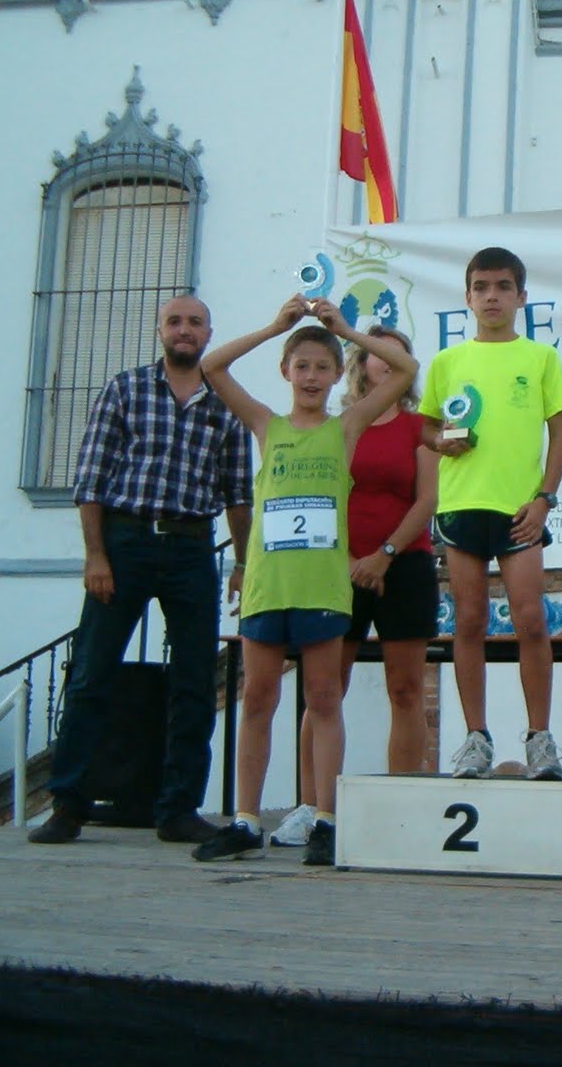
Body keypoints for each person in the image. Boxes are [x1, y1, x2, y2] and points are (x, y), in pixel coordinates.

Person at [191, 297, 418, 867]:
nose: (312, 377)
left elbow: (408, 370)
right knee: (259, 699)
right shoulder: (266, 424)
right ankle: (245, 819)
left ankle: (326, 819)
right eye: (302, 366)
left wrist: (343, 330)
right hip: (270, 586)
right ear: (286, 372)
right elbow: (212, 367)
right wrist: (275, 327)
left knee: (323, 700)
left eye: (323, 367)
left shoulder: (348, 426)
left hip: (322, 588)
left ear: (335, 374)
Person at [31, 295, 252, 847]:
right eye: (175, 321)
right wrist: (95, 554)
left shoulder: (226, 406)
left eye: (195, 322)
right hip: (124, 543)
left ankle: (178, 807)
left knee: (196, 683)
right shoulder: (124, 389)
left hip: (192, 549)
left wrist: (244, 563)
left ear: (209, 333)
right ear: (160, 330)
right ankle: (68, 803)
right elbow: (91, 479)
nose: (185, 330)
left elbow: (239, 496)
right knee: (90, 675)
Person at [270, 326, 438, 849]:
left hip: (403, 565)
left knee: (405, 690)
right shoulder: (339, 425)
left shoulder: (418, 425)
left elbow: (427, 499)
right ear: (362, 363)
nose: (387, 363)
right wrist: (348, 559)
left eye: (398, 355)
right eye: (377, 355)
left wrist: (383, 556)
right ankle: (312, 808)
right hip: (336, 568)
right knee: (323, 692)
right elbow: (321, 496)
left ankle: (400, 804)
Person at [420, 247, 562, 781]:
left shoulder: (540, 358)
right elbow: (425, 428)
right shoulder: (446, 362)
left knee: (531, 620)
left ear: (521, 297)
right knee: (468, 621)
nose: (491, 296)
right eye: (481, 287)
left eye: (503, 287)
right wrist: (443, 440)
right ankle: (476, 738)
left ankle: (540, 738)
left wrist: (543, 498)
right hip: (462, 506)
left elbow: (559, 434)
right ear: (467, 296)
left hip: (519, 512)